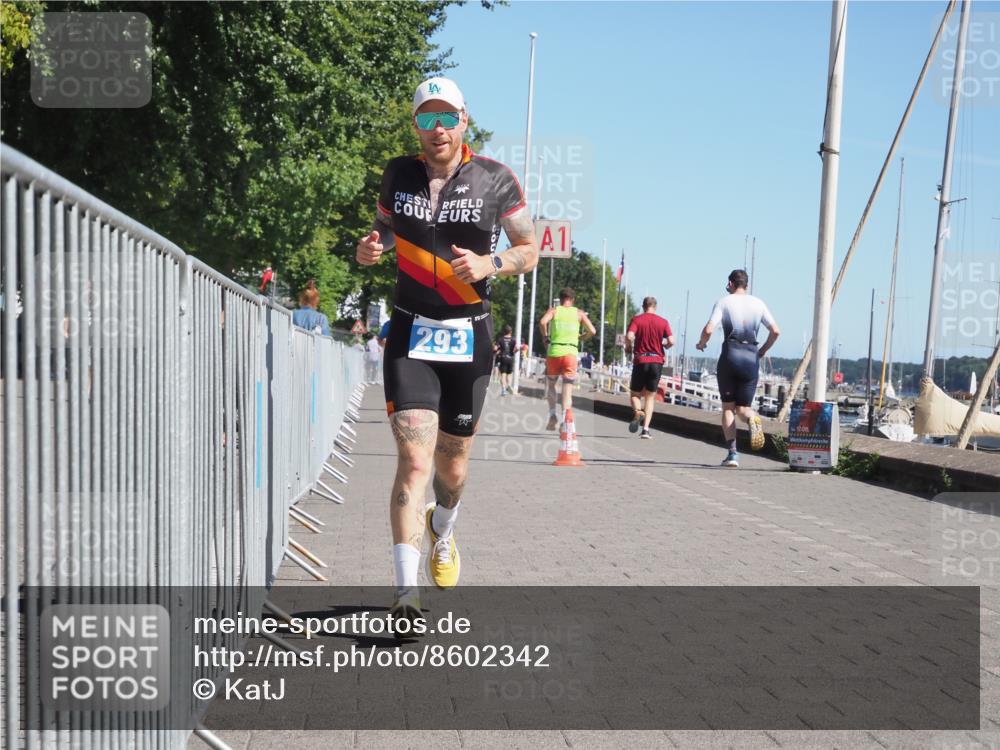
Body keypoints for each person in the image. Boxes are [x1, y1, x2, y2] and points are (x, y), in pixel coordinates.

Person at [355, 77, 538, 623]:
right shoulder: (398, 173)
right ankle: (405, 595)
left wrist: (492, 264)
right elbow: (385, 231)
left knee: (451, 471)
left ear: (464, 121)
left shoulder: (495, 179)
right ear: (416, 125)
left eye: (446, 118)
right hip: (410, 332)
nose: (437, 129)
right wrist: (371, 247)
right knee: (414, 460)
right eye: (426, 119)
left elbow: (528, 248)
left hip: (469, 335)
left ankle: (444, 528)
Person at [695, 269, 780, 467]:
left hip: (730, 355)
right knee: (743, 409)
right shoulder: (759, 303)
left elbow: (709, 329)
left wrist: (701, 343)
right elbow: (776, 331)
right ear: (747, 285)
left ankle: (732, 454)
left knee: (728, 408)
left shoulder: (724, 302)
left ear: (730, 284)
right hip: (751, 357)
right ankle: (752, 418)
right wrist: (763, 350)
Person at [539, 288, 597, 431]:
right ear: (573, 300)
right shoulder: (579, 314)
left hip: (554, 352)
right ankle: (565, 418)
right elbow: (593, 331)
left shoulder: (554, 311)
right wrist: (583, 337)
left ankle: (552, 415)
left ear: (561, 298)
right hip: (571, 353)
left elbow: (542, 322)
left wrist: (545, 337)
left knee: (551, 384)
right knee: (567, 388)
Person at [625, 296, 675, 439]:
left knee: (635, 394)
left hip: (641, 360)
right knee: (650, 397)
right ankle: (645, 430)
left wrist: (628, 347)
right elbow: (672, 340)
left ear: (643, 306)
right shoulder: (663, 322)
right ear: (655, 307)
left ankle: (638, 411)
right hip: (656, 361)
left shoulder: (637, 320)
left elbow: (629, 336)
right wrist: (666, 345)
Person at [493, 324, 517, 396]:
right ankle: (508, 385)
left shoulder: (500, 339)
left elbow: (495, 348)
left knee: (503, 374)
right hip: (511, 358)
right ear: (511, 332)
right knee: (509, 374)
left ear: (504, 332)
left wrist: (495, 351)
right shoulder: (513, 339)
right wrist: (515, 351)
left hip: (503, 358)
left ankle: (503, 389)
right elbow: (516, 349)